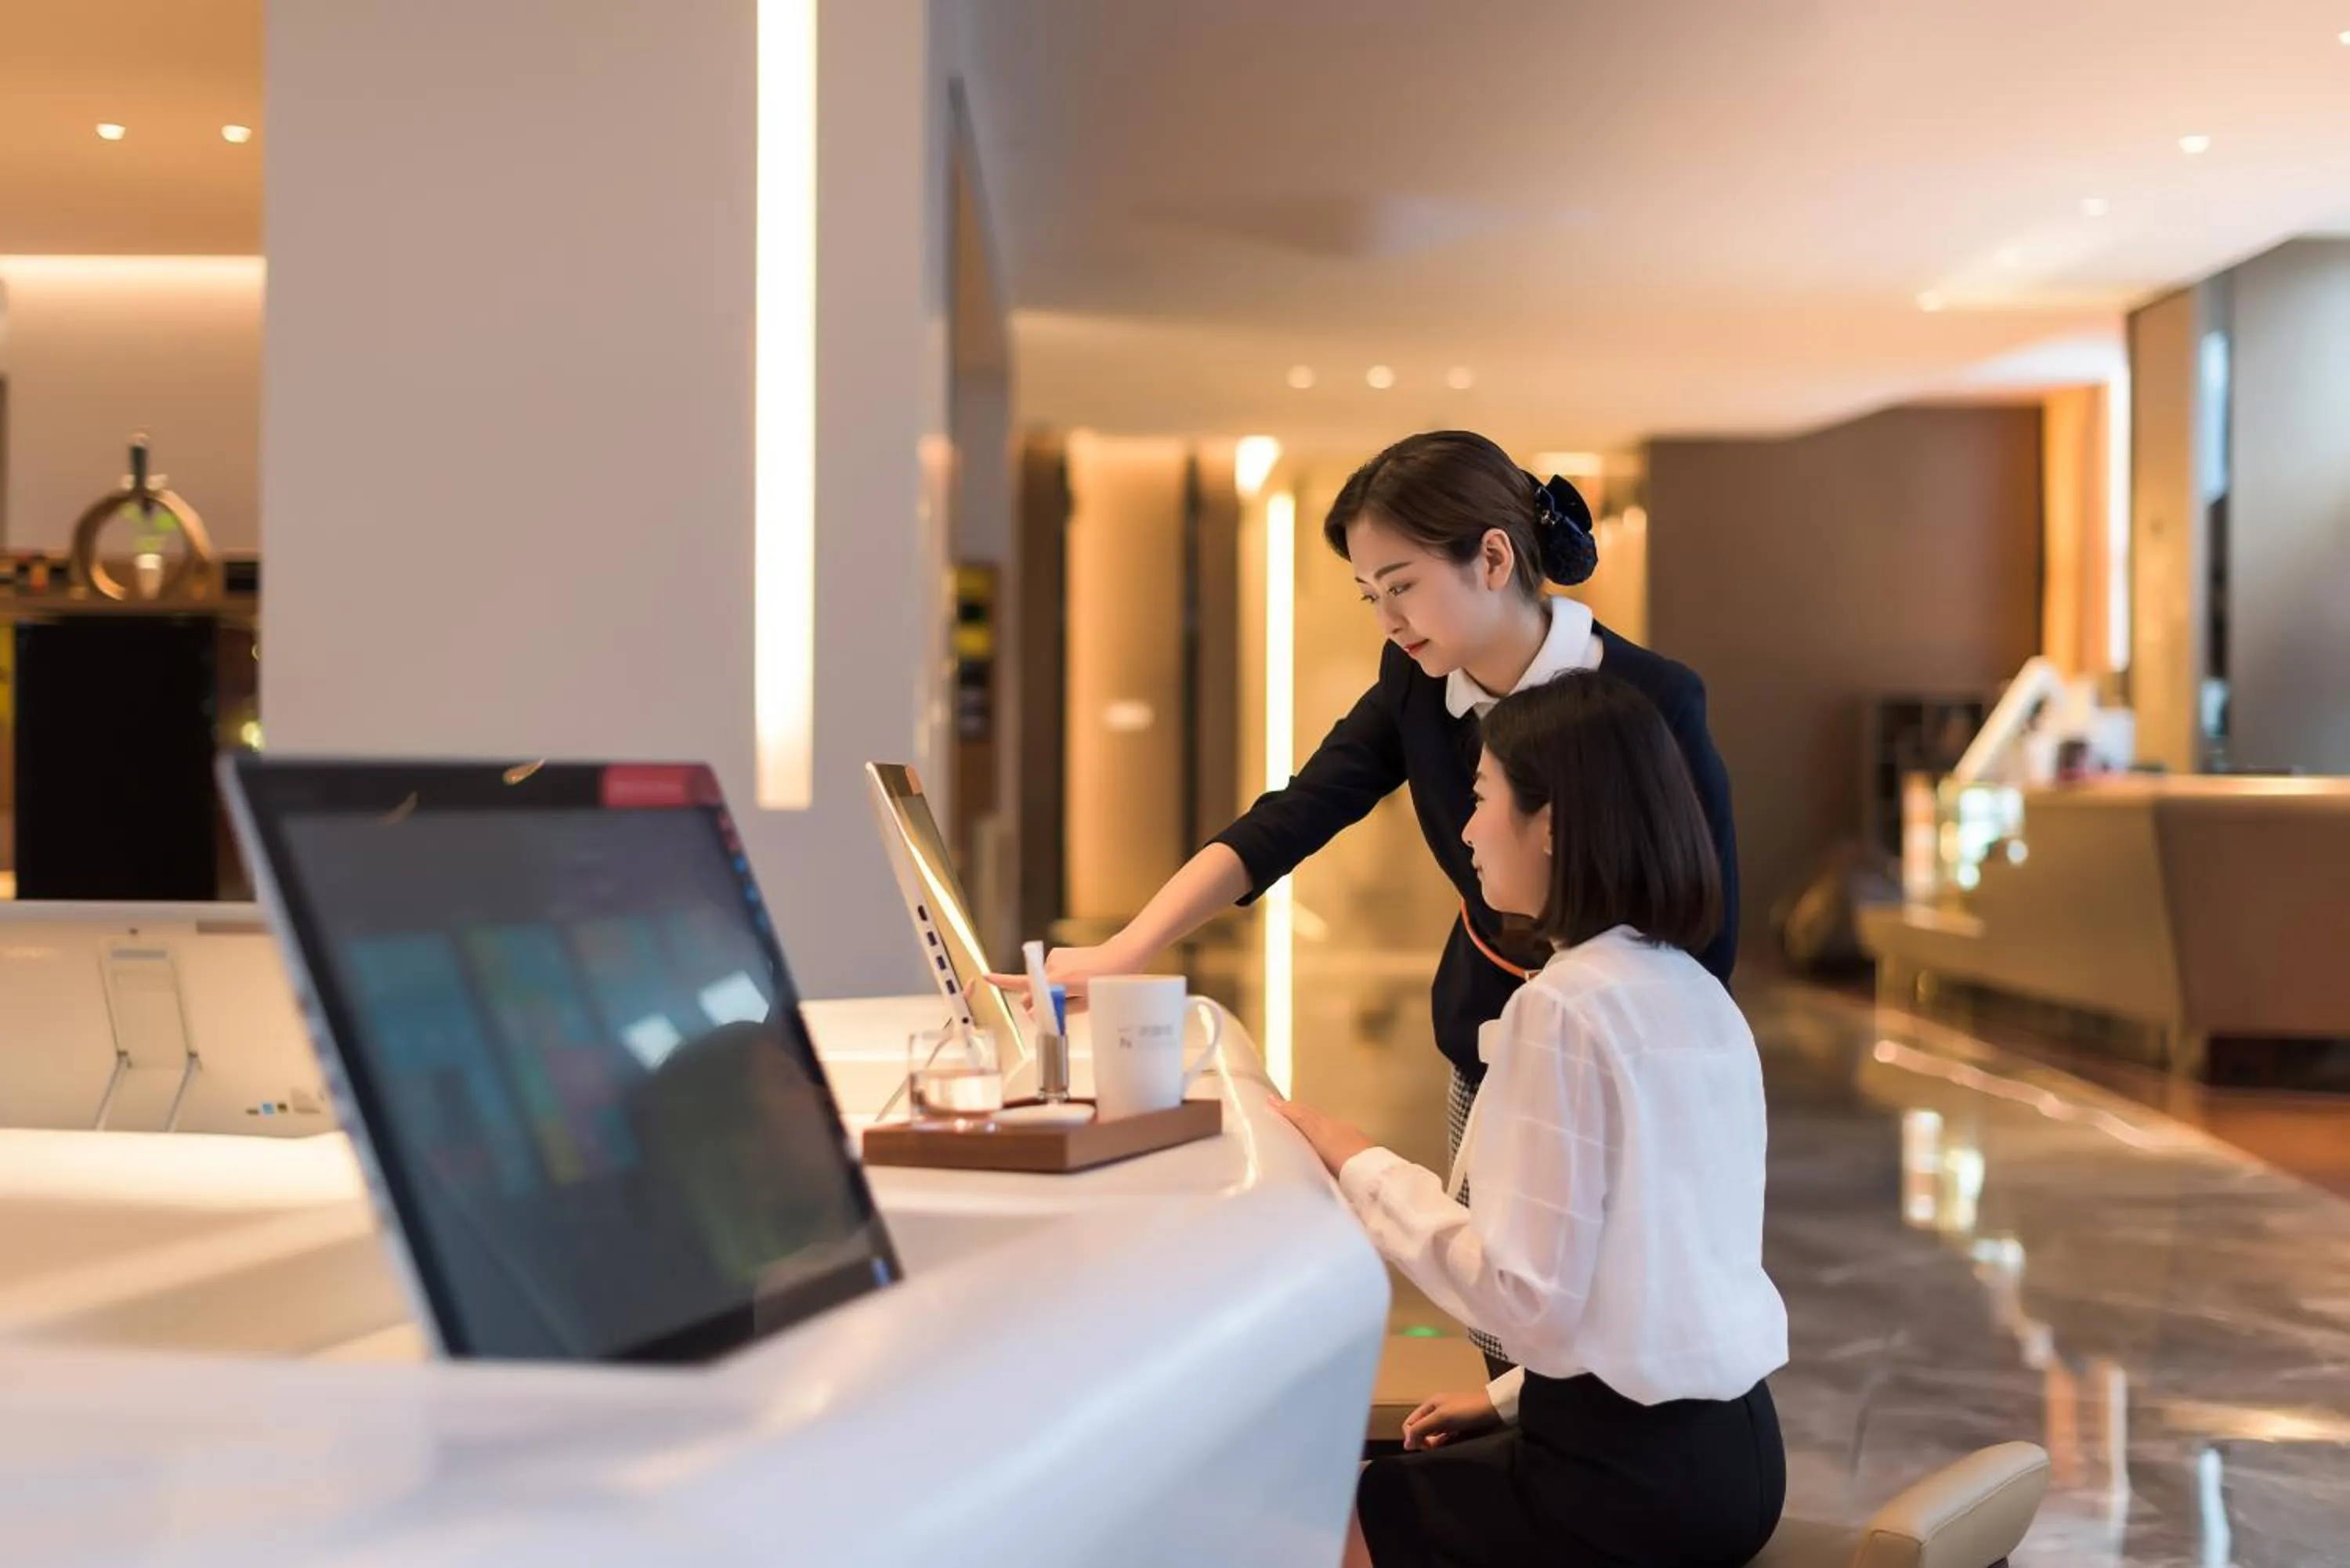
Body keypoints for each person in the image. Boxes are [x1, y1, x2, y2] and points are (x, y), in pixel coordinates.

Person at [1007, 429, 1739, 1366]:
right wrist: (1124, 949)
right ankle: (1517, 1472)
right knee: (1502, 1320)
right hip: (1484, 1025)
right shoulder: (1418, 685)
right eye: (1370, 596)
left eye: (1401, 585)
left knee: (1607, 1311)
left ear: (1493, 555)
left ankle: (1573, 1491)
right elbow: (1293, 816)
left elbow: (1704, 936)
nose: (1389, 618)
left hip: (1620, 1065)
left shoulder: (1650, 698)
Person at [1275, 670, 1787, 1568]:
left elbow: (1526, 1298)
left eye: (1482, 799)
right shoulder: (1694, 989)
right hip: (1739, 1456)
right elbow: (1656, 1273)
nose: (1467, 830)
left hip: (1622, 1478)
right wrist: (1509, 1396)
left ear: (1550, 822)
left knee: (1316, 1518)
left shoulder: (1565, 1008)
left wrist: (1360, 1164)